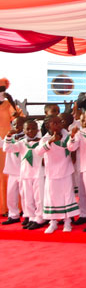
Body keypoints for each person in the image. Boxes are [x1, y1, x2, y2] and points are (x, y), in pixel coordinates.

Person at [37, 116, 79, 233]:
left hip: (65, 170)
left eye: (59, 122)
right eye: (54, 123)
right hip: (51, 172)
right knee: (51, 197)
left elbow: (72, 147)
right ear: (47, 126)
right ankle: (53, 222)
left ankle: (67, 221)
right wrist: (51, 141)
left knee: (67, 196)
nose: (58, 125)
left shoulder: (67, 135)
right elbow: (38, 152)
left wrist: (72, 137)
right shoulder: (45, 139)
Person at [0, 77, 23, 217]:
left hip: (6, 142)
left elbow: (20, 119)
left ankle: (13, 207)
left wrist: (13, 105)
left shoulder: (9, 105)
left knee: (9, 175)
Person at [1, 117, 24, 225]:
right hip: (12, 171)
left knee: (25, 195)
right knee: (11, 194)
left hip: (24, 171)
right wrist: (9, 136)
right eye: (14, 125)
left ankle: (28, 215)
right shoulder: (9, 138)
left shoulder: (28, 138)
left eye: (19, 125)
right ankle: (13, 215)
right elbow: (5, 147)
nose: (17, 127)